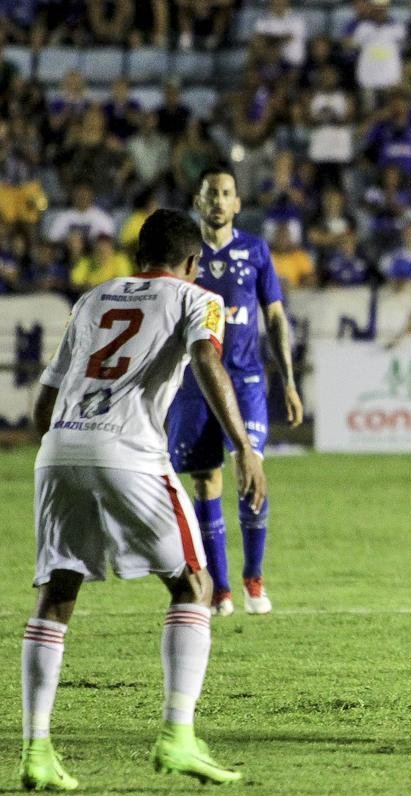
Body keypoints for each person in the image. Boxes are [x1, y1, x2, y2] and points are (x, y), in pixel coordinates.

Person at [20, 208, 267, 790]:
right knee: (194, 585)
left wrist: (69, 450)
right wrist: (243, 447)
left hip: (59, 449)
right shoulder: (197, 298)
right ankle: (178, 736)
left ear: (137, 258)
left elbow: (43, 403)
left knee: (58, 593)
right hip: (130, 451)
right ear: (193, 262)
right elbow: (207, 360)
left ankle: (36, 751)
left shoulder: (91, 299)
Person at [166, 166, 304, 617]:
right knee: (205, 479)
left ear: (238, 203)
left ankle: (253, 579)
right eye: (211, 193)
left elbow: (275, 316)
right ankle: (221, 590)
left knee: (251, 470)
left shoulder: (256, 250)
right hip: (195, 383)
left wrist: (289, 381)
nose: (219, 201)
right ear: (198, 201)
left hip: (245, 381)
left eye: (226, 193)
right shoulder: (184, 254)